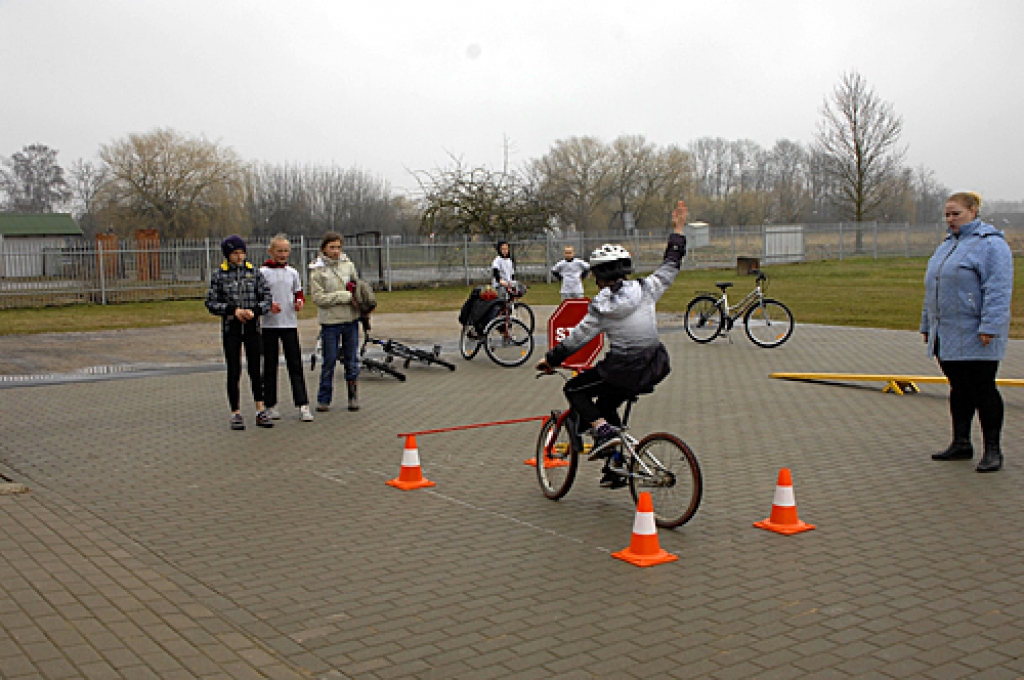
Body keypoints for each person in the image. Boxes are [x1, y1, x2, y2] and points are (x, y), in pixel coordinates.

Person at [537, 201, 688, 488]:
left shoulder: (600, 306)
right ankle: (617, 464)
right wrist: (678, 229)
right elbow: (672, 263)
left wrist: (551, 360)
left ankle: (605, 435)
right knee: (606, 402)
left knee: (573, 389)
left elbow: (577, 338)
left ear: (598, 276)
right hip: (654, 366)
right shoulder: (647, 289)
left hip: (622, 369)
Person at [921, 191, 1013, 473]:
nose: (950, 219)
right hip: (945, 332)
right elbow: (932, 288)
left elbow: (997, 290)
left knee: (983, 389)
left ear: (973, 211)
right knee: (959, 388)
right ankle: (961, 442)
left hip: (976, 332)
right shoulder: (947, 245)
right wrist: (927, 324)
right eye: (947, 215)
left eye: (956, 214)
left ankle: (993, 450)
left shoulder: (991, 246)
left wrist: (990, 326)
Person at [205, 235, 274, 430]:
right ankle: (235, 412)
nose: (239, 257)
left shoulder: (254, 273)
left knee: (255, 369)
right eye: (235, 253)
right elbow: (211, 302)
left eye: (241, 253)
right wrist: (233, 311)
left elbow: (267, 298)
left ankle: (260, 410)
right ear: (228, 255)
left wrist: (255, 310)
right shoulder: (220, 275)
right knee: (234, 370)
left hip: (252, 326)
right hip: (231, 328)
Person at [260, 234, 314, 423]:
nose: (283, 254)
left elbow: (298, 292)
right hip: (269, 325)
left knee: (295, 364)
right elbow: (260, 296)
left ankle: (302, 404)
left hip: (289, 324)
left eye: (285, 251)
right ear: (271, 252)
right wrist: (268, 306)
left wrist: (299, 302)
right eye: (279, 251)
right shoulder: (263, 272)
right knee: (269, 365)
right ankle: (270, 404)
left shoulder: (292, 272)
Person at [310, 232, 362, 412]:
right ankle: (324, 398)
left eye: (338, 247)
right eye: (331, 247)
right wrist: (342, 296)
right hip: (330, 322)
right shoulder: (317, 270)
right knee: (329, 360)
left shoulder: (348, 266)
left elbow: (357, 287)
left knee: (351, 360)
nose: (335, 251)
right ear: (324, 248)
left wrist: (360, 299)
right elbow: (318, 298)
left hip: (350, 319)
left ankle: (353, 396)